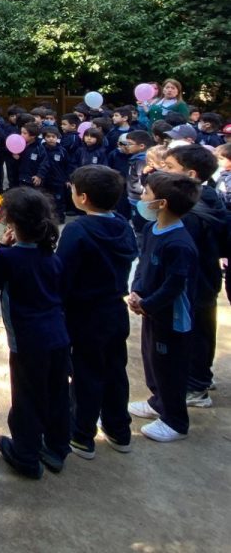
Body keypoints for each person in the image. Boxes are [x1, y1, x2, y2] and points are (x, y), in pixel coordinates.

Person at [0, 188, 70, 478]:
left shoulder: (10, 257)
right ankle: (56, 448)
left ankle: (25, 455)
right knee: (57, 393)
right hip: (58, 336)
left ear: (12, 223)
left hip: (28, 341)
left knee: (26, 397)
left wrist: (3, 247)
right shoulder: (52, 256)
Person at [57, 166, 138, 459]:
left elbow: (62, 273)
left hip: (85, 313)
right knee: (116, 369)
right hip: (115, 309)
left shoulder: (78, 230)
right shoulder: (122, 225)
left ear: (84, 197)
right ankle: (119, 430)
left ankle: (81, 434)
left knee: (86, 372)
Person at [127, 172, 200, 442]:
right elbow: (143, 264)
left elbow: (175, 286)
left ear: (162, 203)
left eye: (146, 193)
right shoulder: (151, 228)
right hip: (150, 311)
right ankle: (158, 401)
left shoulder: (180, 243)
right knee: (151, 357)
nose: (142, 197)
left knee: (170, 366)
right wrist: (137, 291)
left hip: (172, 316)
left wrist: (147, 304)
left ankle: (175, 420)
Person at [161, 145, 227, 406]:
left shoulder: (193, 211)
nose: (162, 171)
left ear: (190, 173)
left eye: (169, 168)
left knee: (195, 331)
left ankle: (196, 386)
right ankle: (200, 376)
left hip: (195, 281)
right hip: (203, 279)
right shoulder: (206, 196)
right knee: (201, 327)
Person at [33, 126, 71, 222]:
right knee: (44, 199)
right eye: (48, 136)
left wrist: (68, 179)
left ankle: (59, 218)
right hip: (44, 180)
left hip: (58, 181)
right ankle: (46, 218)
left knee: (59, 201)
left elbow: (67, 166)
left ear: (57, 137)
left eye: (53, 136)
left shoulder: (62, 151)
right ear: (44, 138)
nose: (51, 139)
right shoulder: (40, 149)